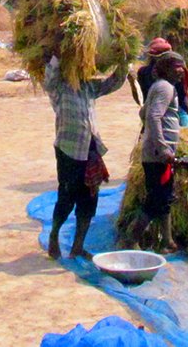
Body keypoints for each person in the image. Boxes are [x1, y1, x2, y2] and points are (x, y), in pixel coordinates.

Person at [44, 54, 127, 260]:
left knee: (89, 200)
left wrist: (125, 61)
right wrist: (59, 53)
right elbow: (49, 78)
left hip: (91, 149)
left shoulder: (89, 87)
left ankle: (78, 246)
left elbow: (113, 83)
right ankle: (54, 236)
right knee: (66, 198)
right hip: (69, 150)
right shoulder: (59, 88)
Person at [130, 51, 186, 253]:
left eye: (182, 67)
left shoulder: (160, 87)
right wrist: (163, 147)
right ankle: (132, 239)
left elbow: (143, 112)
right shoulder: (165, 88)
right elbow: (153, 116)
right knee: (156, 199)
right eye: (177, 67)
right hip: (157, 156)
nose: (181, 72)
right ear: (166, 69)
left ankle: (167, 241)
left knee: (165, 198)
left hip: (158, 153)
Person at [135, 37, 188, 126]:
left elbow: (141, 97)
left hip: (151, 110)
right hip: (176, 111)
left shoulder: (142, 72)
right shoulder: (180, 70)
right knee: (186, 130)